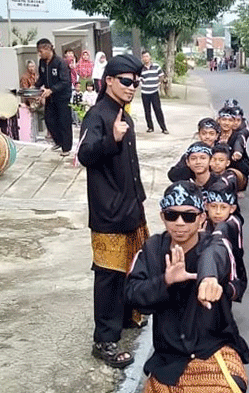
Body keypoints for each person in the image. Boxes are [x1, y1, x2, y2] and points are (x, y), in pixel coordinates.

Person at [125, 180, 249, 393]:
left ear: (202, 219)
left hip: (212, 348)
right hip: (168, 357)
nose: (180, 222)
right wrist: (166, 281)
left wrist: (208, 278)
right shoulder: (152, 249)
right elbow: (132, 296)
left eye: (189, 216)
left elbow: (214, 256)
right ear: (163, 216)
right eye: (172, 215)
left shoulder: (214, 244)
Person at [76, 54, 147, 369]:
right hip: (108, 213)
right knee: (108, 276)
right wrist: (110, 139)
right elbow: (84, 154)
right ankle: (104, 341)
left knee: (129, 269)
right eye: (127, 81)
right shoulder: (98, 116)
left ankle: (125, 320)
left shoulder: (123, 115)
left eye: (136, 82)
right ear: (108, 81)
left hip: (131, 208)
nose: (133, 87)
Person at [35, 38, 73, 156]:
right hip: (49, 96)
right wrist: (35, 87)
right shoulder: (42, 62)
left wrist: (51, 90)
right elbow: (41, 78)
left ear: (48, 49)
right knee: (49, 120)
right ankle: (58, 141)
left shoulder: (60, 63)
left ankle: (66, 148)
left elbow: (65, 81)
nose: (39, 54)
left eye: (41, 51)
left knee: (64, 121)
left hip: (62, 96)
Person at [167, 117, 220, 182]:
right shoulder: (193, 151)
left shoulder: (220, 152)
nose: (207, 137)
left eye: (211, 134)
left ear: (217, 135)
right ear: (198, 135)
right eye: (204, 133)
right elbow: (173, 175)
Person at [140, 51, 168, 134]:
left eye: (147, 56)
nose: (146, 58)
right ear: (142, 58)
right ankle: (150, 127)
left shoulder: (156, 66)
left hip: (154, 92)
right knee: (147, 110)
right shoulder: (141, 68)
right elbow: (139, 79)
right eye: (144, 57)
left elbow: (161, 75)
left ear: (150, 57)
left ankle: (163, 128)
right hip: (145, 92)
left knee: (158, 109)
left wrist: (159, 83)